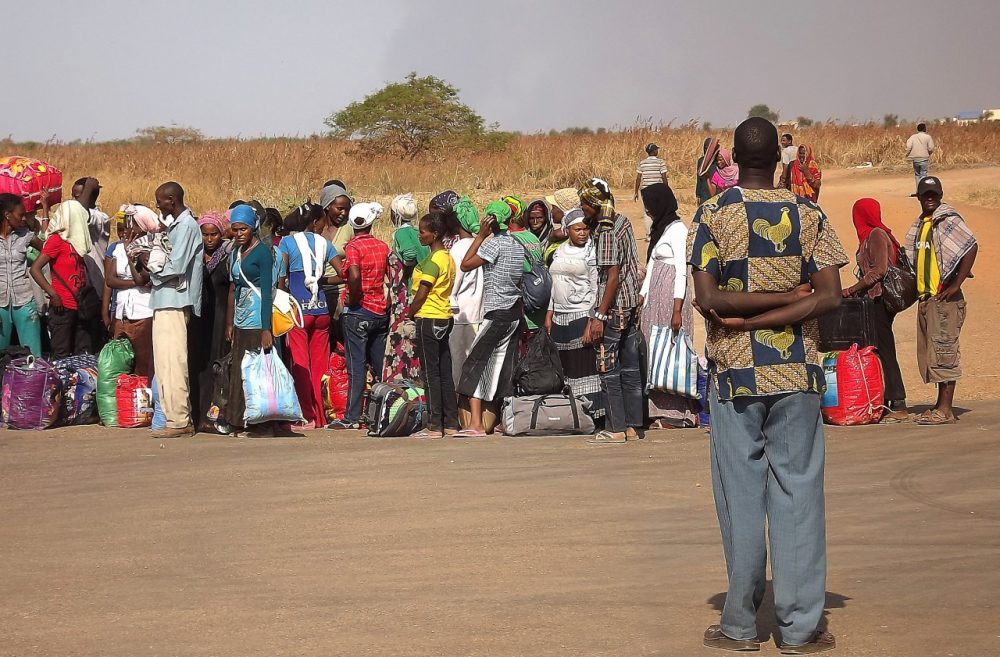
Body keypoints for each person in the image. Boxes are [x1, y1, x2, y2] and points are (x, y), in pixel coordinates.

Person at [689, 117, 846, 654]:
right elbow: (830, 296)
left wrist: (747, 320)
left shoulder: (713, 213)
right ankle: (801, 630)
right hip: (798, 372)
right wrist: (789, 302)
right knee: (798, 492)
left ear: (732, 157)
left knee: (741, 494)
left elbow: (709, 299)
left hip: (736, 374)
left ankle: (739, 625)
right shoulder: (807, 212)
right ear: (777, 160)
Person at [904, 176, 978, 425]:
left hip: (944, 299)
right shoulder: (923, 224)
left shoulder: (948, 220)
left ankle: (946, 410)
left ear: (941, 194)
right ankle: (939, 405)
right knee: (933, 353)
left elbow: (970, 246)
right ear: (919, 196)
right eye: (925, 194)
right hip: (928, 299)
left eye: (933, 194)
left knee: (944, 351)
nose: (929, 198)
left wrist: (956, 284)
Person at [579, 178, 642, 443]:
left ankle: (615, 427)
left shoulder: (605, 231)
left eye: (584, 205)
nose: (583, 210)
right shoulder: (623, 221)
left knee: (608, 366)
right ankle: (633, 426)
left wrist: (599, 316)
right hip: (629, 303)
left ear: (594, 204)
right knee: (630, 368)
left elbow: (611, 276)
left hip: (614, 306)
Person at [457, 200, 524, 436]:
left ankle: (475, 424)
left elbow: (466, 265)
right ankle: (499, 421)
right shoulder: (516, 244)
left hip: (496, 312)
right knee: (502, 366)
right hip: (514, 312)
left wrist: (480, 237)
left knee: (474, 364)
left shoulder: (494, 245)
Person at [842, 198, 909, 422]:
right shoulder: (868, 237)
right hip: (872, 299)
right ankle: (884, 400)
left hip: (880, 299)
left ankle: (898, 402)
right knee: (877, 349)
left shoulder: (876, 235)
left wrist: (851, 290)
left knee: (885, 349)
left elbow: (879, 271)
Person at [278, 203, 343, 430]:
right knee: (320, 366)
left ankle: (305, 416)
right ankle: (322, 415)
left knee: (300, 364)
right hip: (321, 310)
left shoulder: (287, 243)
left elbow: (281, 273)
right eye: (322, 222)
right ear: (314, 222)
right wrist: (323, 281)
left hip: (298, 311)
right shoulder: (325, 244)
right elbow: (342, 273)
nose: (324, 226)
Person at [639, 183, 697, 428]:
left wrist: (676, 309)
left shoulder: (678, 231)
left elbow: (682, 272)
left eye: (650, 207)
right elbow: (652, 267)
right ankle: (654, 410)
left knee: (671, 352)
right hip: (654, 300)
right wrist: (641, 296)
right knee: (654, 351)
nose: (649, 212)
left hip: (672, 299)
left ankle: (676, 413)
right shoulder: (660, 230)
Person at [148, 182, 204, 438]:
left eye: (160, 200)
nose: (158, 205)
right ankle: (173, 419)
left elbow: (176, 265)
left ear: (172, 200)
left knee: (173, 364)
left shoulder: (186, 226)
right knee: (164, 365)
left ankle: (180, 421)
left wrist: (149, 267)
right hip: (164, 300)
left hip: (175, 300)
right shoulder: (175, 226)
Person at [329, 202, 390, 430]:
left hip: (358, 312)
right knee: (379, 365)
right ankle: (383, 410)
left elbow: (353, 275)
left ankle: (352, 417)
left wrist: (353, 299)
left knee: (356, 366)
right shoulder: (382, 246)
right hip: (379, 311)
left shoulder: (353, 247)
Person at [30, 178, 99, 359]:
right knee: (61, 354)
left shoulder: (76, 240)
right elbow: (35, 269)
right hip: (62, 306)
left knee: (82, 354)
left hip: (81, 305)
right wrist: (53, 294)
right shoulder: (56, 241)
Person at [225, 205, 279, 438]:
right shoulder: (235, 252)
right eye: (235, 229)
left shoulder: (263, 253)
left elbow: (267, 291)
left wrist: (266, 328)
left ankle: (260, 423)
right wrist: (230, 323)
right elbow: (232, 288)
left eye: (243, 229)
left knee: (259, 373)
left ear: (253, 228)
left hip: (257, 319)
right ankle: (238, 420)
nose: (239, 234)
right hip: (240, 318)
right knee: (239, 370)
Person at [544, 209, 604, 419]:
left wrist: (592, 319)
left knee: (584, 368)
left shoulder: (591, 252)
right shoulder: (558, 251)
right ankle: (570, 415)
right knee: (565, 367)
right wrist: (549, 313)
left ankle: (590, 415)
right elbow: (554, 285)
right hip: (559, 317)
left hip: (581, 315)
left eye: (586, 229)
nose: (582, 233)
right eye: (577, 229)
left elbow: (596, 287)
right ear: (567, 229)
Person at [409, 213, 459, 437]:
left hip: (428, 317)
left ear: (435, 234)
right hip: (444, 317)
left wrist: (411, 312)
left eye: (422, 231)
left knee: (430, 373)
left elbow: (423, 291)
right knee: (444, 371)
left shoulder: (434, 260)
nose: (420, 235)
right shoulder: (448, 258)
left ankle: (434, 425)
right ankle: (451, 422)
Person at [192, 209, 232, 433]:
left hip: (219, 319)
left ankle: (215, 416)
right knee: (199, 366)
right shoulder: (195, 256)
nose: (209, 240)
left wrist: (229, 323)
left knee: (218, 367)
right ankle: (198, 415)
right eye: (205, 235)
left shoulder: (227, 257)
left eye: (214, 235)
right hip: (199, 319)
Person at [103, 208, 154, 379]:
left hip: (143, 313)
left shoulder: (151, 249)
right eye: (124, 227)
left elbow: (146, 278)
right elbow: (110, 280)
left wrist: (130, 255)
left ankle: (141, 401)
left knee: (142, 363)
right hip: (121, 312)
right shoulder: (117, 248)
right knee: (120, 362)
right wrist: (136, 283)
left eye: (131, 227)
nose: (126, 231)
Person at [384, 193, 429, 384]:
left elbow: (409, 254)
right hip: (420, 290)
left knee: (402, 338)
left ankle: (400, 379)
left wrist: (404, 265)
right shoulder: (419, 232)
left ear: (396, 215)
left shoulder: (401, 233)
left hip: (406, 292)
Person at [0, 193, 44, 355]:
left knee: (32, 354)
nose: (23, 218)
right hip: (0, 304)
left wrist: (37, 268)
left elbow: (48, 253)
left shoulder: (26, 236)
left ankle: (34, 380)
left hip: (25, 299)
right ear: (7, 215)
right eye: (20, 215)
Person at [448, 196, 484, 388]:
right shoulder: (482, 244)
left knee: (458, 367)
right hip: (479, 312)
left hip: (460, 315)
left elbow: (455, 281)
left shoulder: (459, 248)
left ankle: (460, 411)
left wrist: (450, 300)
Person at [318, 181, 353, 347]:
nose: (343, 213)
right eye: (339, 208)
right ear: (327, 207)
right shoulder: (316, 228)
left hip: (341, 291)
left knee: (342, 338)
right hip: (317, 293)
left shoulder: (349, 229)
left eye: (346, 209)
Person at [906, 122, 935, 190]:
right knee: (923, 174)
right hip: (924, 158)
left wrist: (907, 154)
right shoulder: (928, 137)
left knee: (917, 175)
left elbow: (908, 146)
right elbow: (931, 148)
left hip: (915, 159)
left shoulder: (913, 137)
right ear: (924, 129)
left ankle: (918, 190)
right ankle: (924, 190)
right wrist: (928, 153)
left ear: (918, 129)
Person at [696, 137, 721, 205]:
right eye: (705, 148)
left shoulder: (718, 162)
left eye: (708, 148)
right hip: (703, 193)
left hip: (716, 194)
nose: (706, 150)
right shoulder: (701, 161)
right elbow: (699, 179)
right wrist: (698, 195)